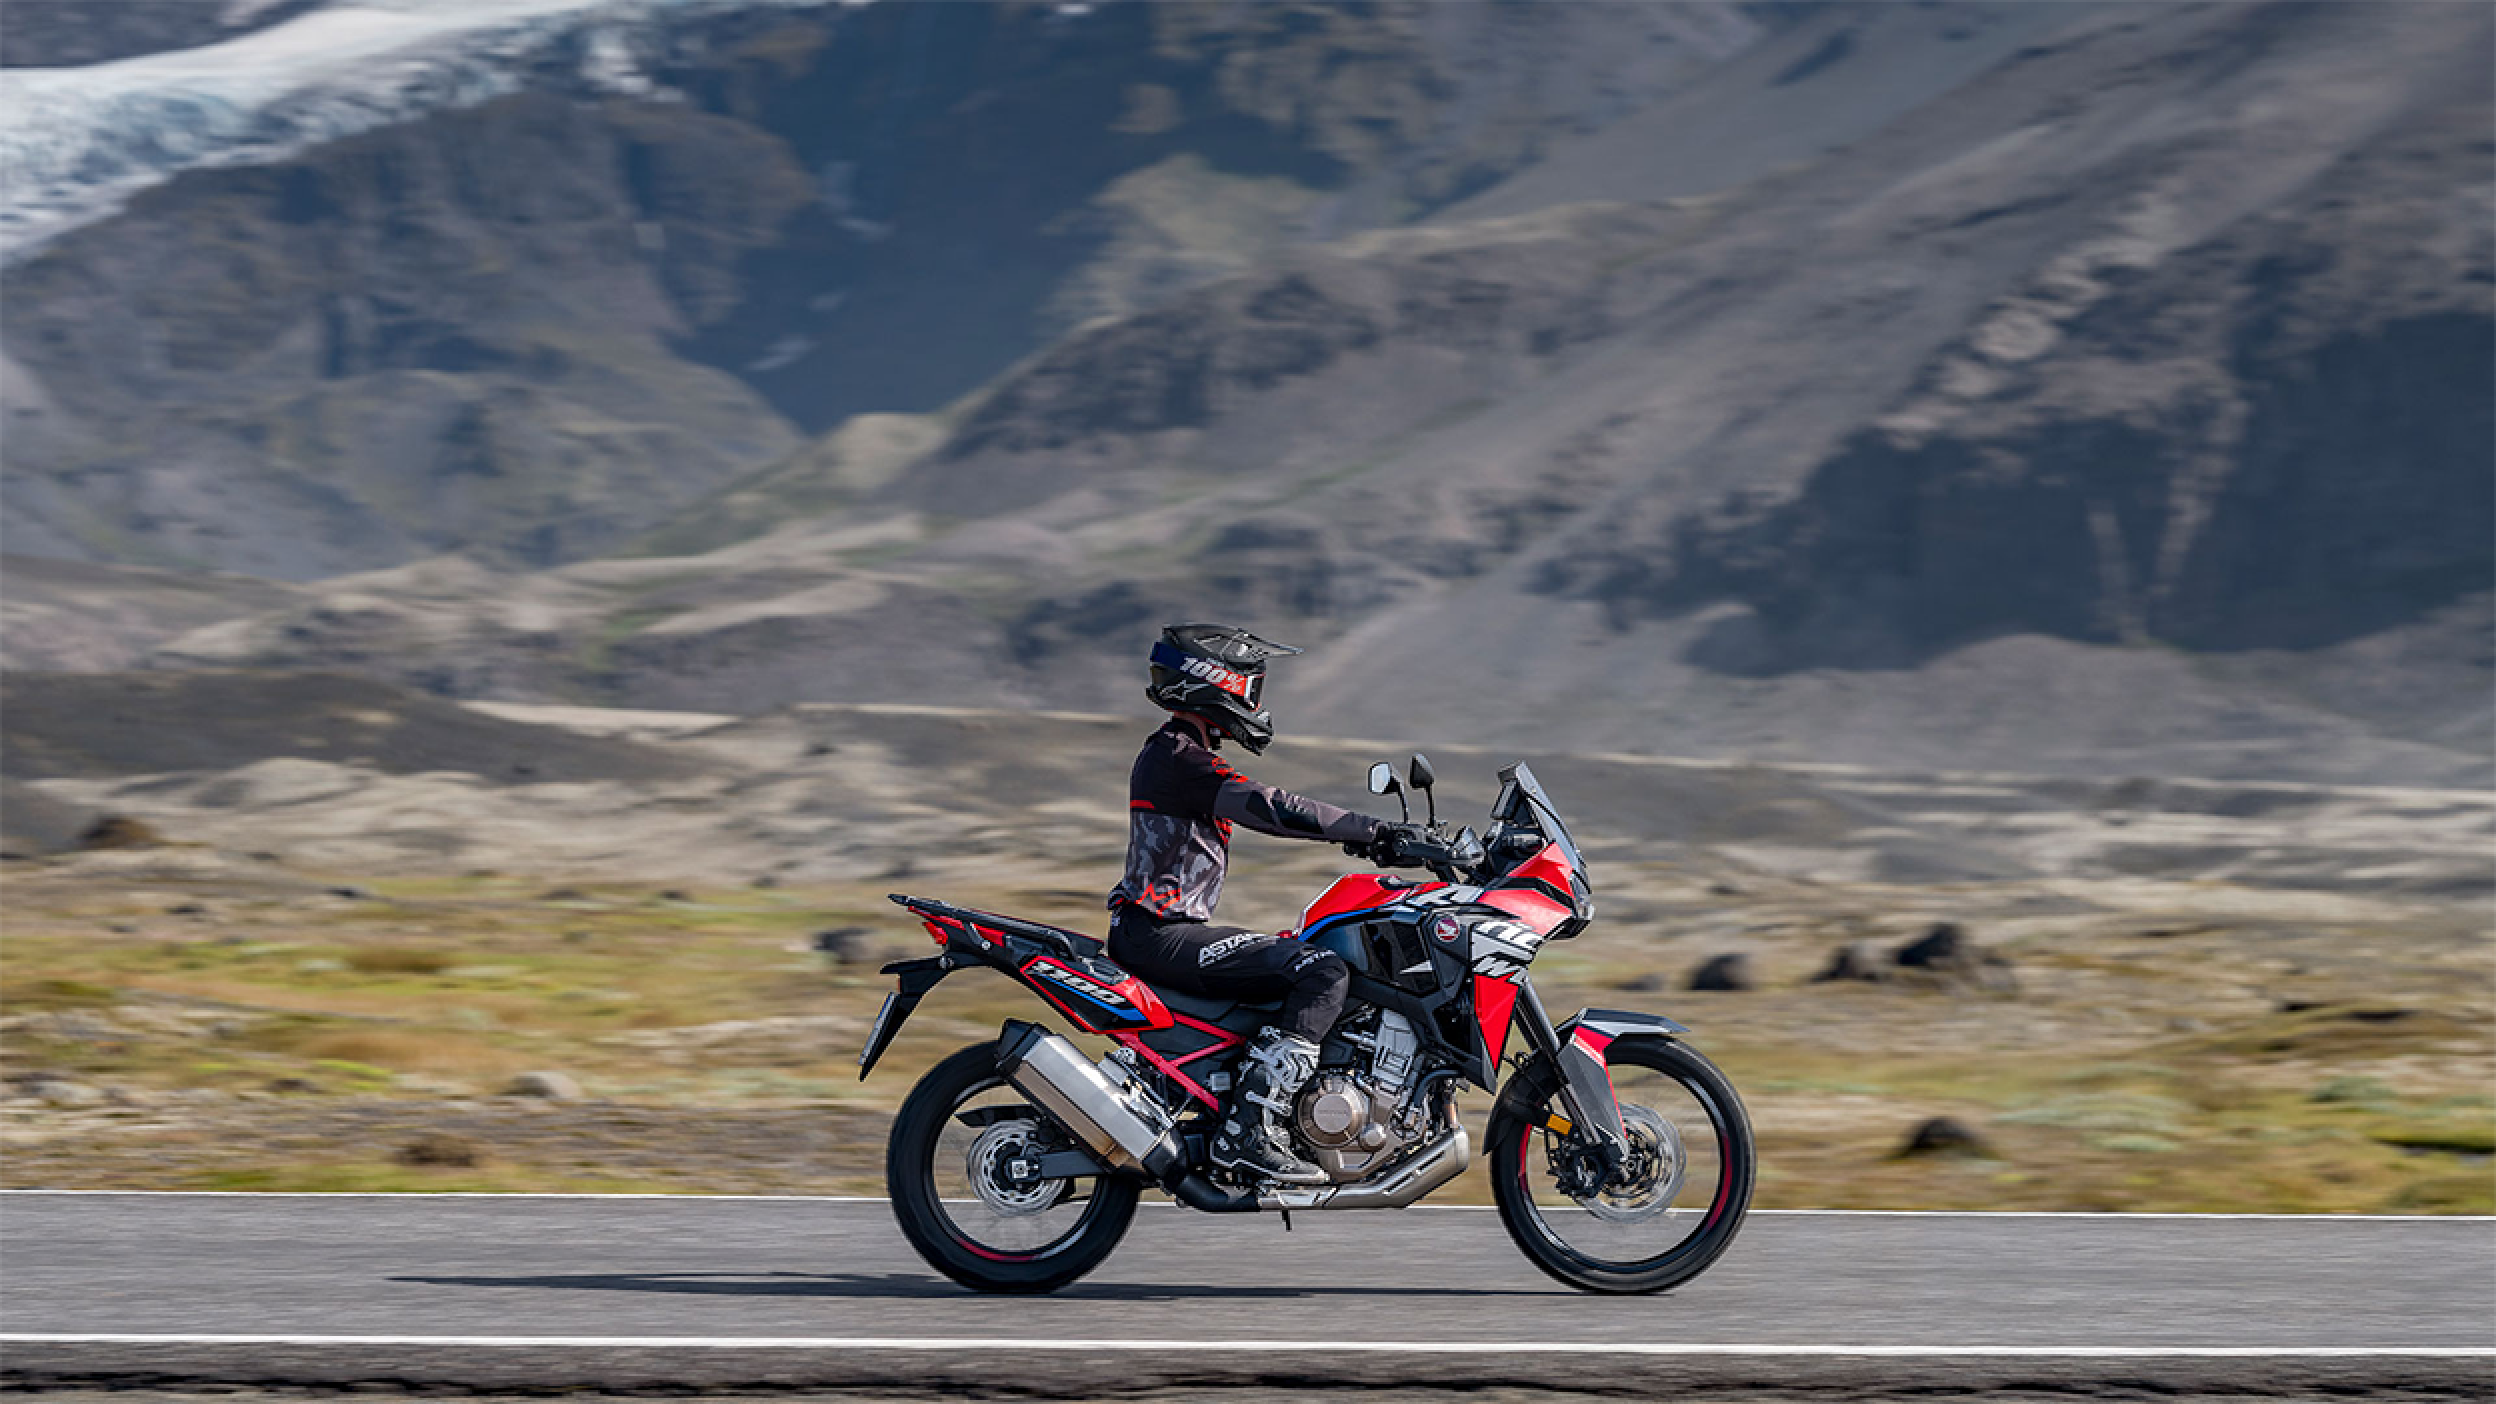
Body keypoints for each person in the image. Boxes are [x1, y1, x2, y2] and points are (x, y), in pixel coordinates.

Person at [1106, 623, 1424, 1185]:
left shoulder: (1180, 754)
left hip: (1162, 929)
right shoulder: (1178, 758)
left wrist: (1358, 838)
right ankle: (1248, 1132)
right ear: (1214, 682)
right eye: (1250, 686)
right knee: (1321, 971)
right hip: (1159, 933)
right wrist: (1373, 831)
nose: (1256, 700)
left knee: (1302, 950)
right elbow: (1268, 805)